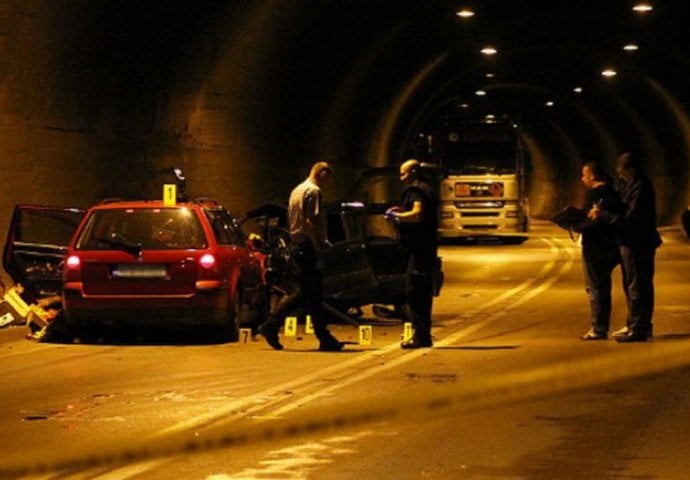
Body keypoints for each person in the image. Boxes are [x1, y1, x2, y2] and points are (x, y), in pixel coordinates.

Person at [257, 161, 344, 352]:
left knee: (313, 293)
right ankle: (271, 324)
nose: (327, 183)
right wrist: (319, 242)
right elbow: (311, 220)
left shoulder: (297, 190)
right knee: (302, 291)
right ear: (322, 173)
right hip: (307, 246)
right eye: (327, 178)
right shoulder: (314, 192)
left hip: (297, 244)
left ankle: (324, 337)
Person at [590, 152, 662, 342]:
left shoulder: (640, 187)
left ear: (630, 170)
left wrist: (604, 214)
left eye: (622, 172)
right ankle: (633, 323)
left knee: (638, 285)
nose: (620, 176)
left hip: (638, 242)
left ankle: (640, 328)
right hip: (628, 241)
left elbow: (631, 218)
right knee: (631, 284)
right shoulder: (630, 184)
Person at [385, 159, 438, 349]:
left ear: (414, 172)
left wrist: (396, 216)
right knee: (420, 292)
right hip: (425, 248)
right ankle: (423, 335)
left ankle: (421, 336)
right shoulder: (426, 188)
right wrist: (401, 210)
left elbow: (417, 213)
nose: (401, 178)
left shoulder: (416, 190)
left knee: (415, 292)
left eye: (404, 173)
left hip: (419, 248)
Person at [578, 162, 622, 340]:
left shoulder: (594, 194)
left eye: (584, 175)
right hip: (613, 244)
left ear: (593, 176)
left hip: (594, 245)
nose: (582, 179)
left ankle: (598, 328)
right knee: (605, 286)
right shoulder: (614, 193)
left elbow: (586, 218)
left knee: (596, 287)